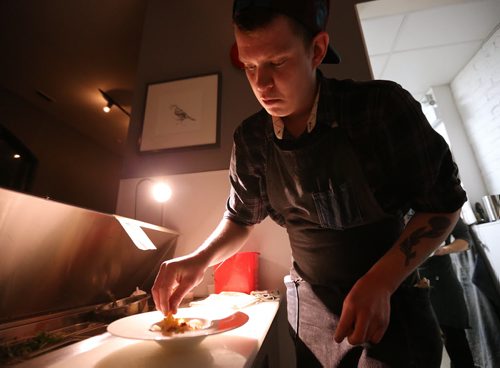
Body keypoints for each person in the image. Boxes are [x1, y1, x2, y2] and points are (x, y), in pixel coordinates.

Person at [152, 0, 467, 366]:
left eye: (278, 62)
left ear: (316, 50)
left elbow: (443, 203)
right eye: (249, 65)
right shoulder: (252, 140)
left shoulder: (379, 109)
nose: (261, 82)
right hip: (311, 313)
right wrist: (198, 260)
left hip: (390, 301)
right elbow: (240, 219)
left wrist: (381, 281)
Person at [418, 217, 476, 368]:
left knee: (456, 343)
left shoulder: (442, 207)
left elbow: (465, 239)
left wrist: (444, 250)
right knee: (423, 348)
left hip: (442, 284)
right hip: (410, 284)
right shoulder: (396, 212)